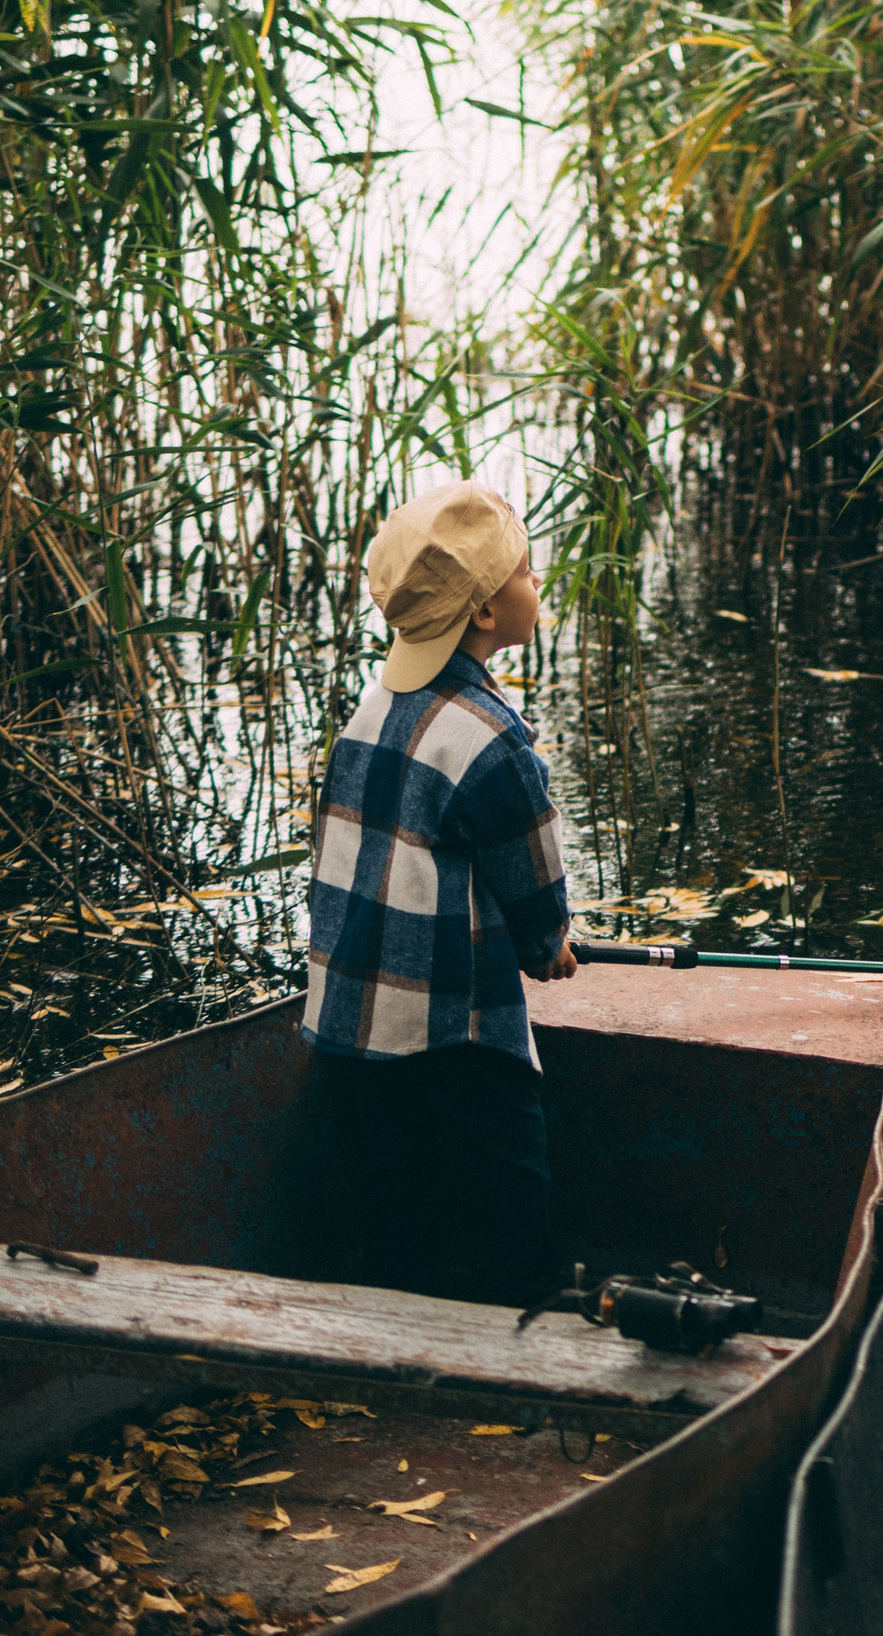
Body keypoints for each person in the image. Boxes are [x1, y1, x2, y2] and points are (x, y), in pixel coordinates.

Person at [301, 477, 577, 1309]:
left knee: (393, 1183)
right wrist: (547, 946)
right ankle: (530, 1296)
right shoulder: (493, 739)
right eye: (528, 572)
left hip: (348, 1018)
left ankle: (399, 1305)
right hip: (447, 1024)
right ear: (486, 615)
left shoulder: (373, 706)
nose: (539, 584)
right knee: (509, 1153)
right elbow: (531, 881)